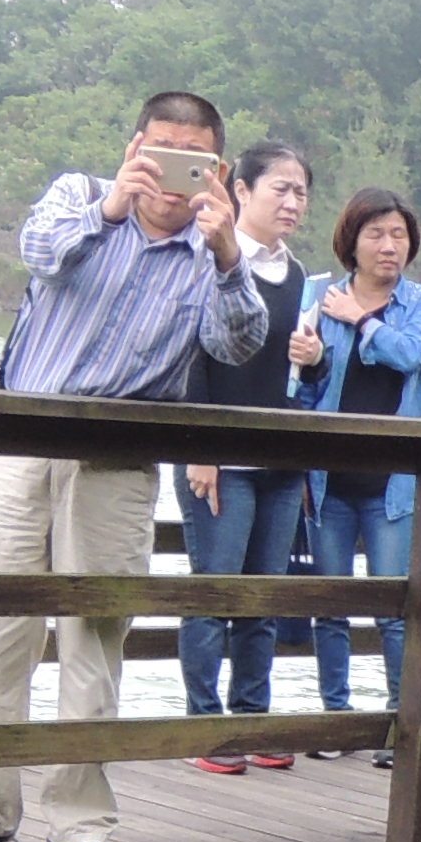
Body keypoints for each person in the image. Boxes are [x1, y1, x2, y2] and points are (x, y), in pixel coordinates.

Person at [0, 94, 270, 842]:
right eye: (159, 151)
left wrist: (228, 252)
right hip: (21, 447)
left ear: (216, 171)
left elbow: (241, 343)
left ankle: (78, 819)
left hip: (117, 467)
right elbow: (39, 251)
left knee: (96, 640)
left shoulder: (214, 256)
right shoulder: (78, 197)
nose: (171, 173)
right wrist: (111, 206)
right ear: (135, 147)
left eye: (191, 159)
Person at [175, 143, 313, 770]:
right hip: (220, 460)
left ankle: (252, 718)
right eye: (280, 188)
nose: (292, 202)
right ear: (243, 192)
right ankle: (206, 728)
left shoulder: (300, 275)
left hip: (281, 461)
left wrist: (319, 358)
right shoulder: (211, 258)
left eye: (301, 192)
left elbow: (294, 373)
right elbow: (190, 356)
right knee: (216, 594)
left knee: (261, 599)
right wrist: (200, 447)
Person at [293, 189, 421, 756]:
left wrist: (362, 322)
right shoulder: (315, 294)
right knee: (330, 605)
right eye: (377, 234)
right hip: (328, 476)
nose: (389, 246)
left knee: (397, 609)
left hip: (394, 482)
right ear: (351, 240)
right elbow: (302, 388)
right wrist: (308, 365)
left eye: (399, 235)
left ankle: (399, 725)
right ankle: (336, 720)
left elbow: (411, 355)